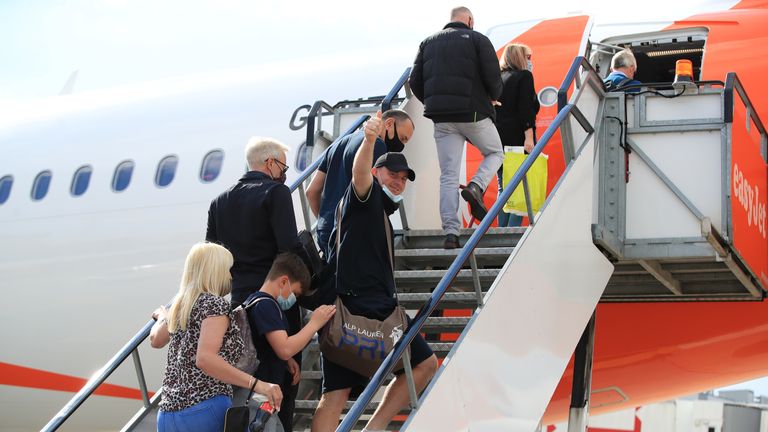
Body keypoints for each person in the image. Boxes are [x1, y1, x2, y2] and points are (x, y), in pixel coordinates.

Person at [311, 112, 438, 432]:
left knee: (336, 395)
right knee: (336, 395)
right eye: (391, 174)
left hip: (367, 305)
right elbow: (359, 177)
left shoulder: (377, 209)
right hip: (361, 308)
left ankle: (373, 428)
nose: (398, 180)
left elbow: (315, 191)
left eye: (403, 177)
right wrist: (369, 140)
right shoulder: (364, 198)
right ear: (375, 172)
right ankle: (375, 427)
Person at [205, 136, 305, 430]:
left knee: (246, 382)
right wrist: (311, 279)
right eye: (283, 167)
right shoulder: (276, 193)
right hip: (273, 300)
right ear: (269, 163)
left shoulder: (219, 201)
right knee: (280, 384)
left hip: (239, 306)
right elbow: (289, 246)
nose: (284, 173)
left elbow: (213, 254)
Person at [150, 242, 283, 432]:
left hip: (167, 415)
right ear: (216, 271)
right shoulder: (215, 305)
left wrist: (163, 317)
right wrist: (258, 385)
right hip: (204, 408)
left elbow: (156, 340)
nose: (230, 276)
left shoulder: (181, 308)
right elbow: (205, 359)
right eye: (228, 270)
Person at [409, 6, 504, 249]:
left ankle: (451, 233)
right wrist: (493, 97)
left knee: (448, 175)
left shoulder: (427, 43)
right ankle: (476, 186)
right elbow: (493, 76)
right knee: (495, 152)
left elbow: (414, 81)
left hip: (441, 118)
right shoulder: (477, 39)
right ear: (470, 20)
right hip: (472, 113)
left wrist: (432, 101)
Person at [305, 109, 415, 259]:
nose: (401, 145)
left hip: (326, 231)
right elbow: (370, 196)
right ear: (389, 123)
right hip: (352, 233)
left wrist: (328, 220)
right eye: (402, 138)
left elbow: (311, 191)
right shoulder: (376, 146)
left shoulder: (338, 144)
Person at [245, 252, 337, 430]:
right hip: (261, 397)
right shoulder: (266, 305)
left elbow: (264, 343)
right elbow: (284, 348)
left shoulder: (254, 300)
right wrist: (314, 323)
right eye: (294, 292)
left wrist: (286, 361)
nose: (293, 298)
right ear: (283, 281)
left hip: (261, 396)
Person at [495, 43, 541, 227]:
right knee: (522, 187)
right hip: (518, 139)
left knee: (504, 186)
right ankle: (512, 232)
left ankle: (502, 230)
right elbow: (525, 110)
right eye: (528, 57)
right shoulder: (524, 77)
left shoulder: (498, 79)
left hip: (498, 140)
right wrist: (529, 137)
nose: (530, 61)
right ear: (520, 58)